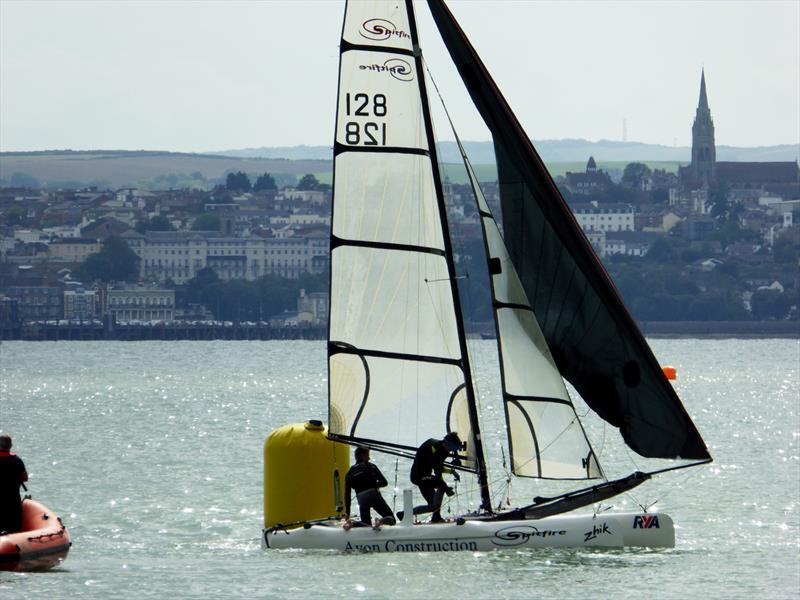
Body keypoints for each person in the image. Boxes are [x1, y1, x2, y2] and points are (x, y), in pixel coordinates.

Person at [404, 432, 462, 523]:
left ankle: (404, 514)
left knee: (432, 506)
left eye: (454, 448)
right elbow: (437, 470)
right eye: (452, 447)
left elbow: (439, 467)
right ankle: (436, 517)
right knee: (441, 485)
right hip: (419, 477)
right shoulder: (434, 448)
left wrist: (452, 471)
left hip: (427, 477)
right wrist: (445, 488)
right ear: (446, 443)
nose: (451, 450)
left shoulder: (443, 449)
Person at [344, 446, 395, 527]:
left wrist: (348, 512)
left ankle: (352, 523)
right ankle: (380, 521)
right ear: (362, 455)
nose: (369, 458)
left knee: (366, 525)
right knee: (392, 519)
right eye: (368, 455)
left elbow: (347, 494)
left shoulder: (349, 472)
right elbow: (384, 482)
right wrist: (375, 485)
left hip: (361, 498)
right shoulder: (371, 466)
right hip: (374, 495)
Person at [0, 434, 28, 534]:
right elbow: (25, 478)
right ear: (10, 446)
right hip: (13, 498)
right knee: (14, 527)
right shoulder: (17, 460)